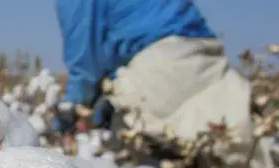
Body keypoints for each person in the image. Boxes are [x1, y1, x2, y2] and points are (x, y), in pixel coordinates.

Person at [53, 0, 252, 145]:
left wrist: (67, 115)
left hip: (160, 69)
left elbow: (85, 65)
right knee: (237, 150)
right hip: (206, 54)